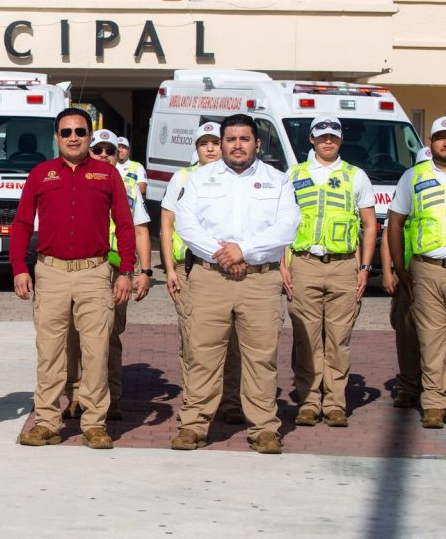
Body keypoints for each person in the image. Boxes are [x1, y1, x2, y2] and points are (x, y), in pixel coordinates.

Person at [173, 113, 300, 454]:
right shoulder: (200, 179)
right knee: (203, 355)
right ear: (222, 143)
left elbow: (288, 226)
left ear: (257, 143)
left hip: (260, 280)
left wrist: (244, 250)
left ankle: (264, 429)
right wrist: (224, 256)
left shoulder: (278, 181)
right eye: (231, 139)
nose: (237, 145)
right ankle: (194, 426)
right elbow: (186, 224)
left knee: (261, 358)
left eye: (244, 139)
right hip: (210, 277)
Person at [12, 107, 136, 450]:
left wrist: (126, 271)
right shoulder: (40, 174)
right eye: (66, 132)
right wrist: (19, 267)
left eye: (80, 131)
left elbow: (125, 225)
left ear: (89, 136)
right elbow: (22, 223)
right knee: (50, 351)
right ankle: (47, 422)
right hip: (50, 272)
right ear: (56, 137)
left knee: (96, 350)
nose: (73, 137)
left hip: (94, 273)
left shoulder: (107, 175)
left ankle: (95, 424)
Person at [280, 114, 377, 428]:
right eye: (322, 136)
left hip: (343, 266)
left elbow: (369, 225)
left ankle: (335, 403)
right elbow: (281, 222)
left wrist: (365, 267)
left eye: (333, 136)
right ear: (311, 138)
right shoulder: (293, 174)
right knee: (306, 338)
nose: (328, 141)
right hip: (304, 264)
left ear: (340, 139)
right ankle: (309, 402)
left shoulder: (355, 175)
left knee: (338, 339)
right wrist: (283, 263)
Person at [63, 129, 150, 422]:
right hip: (83, 265)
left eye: (109, 151)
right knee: (74, 333)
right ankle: (76, 395)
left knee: (109, 334)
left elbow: (140, 230)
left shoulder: (129, 187)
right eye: (97, 150)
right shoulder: (77, 181)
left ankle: (110, 396)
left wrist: (143, 271)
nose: (103, 155)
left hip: (116, 269)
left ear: (118, 155)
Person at [159, 122, 244, 423]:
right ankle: (195, 399)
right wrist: (169, 269)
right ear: (195, 149)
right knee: (193, 337)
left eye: (214, 142)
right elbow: (167, 225)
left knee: (232, 338)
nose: (210, 148)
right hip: (189, 268)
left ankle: (231, 401)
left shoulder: (237, 177)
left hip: (228, 268)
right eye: (203, 143)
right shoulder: (182, 177)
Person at [387, 116, 446, 429]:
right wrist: (400, 268)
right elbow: (395, 221)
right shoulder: (413, 176)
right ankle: (433, 403)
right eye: (440, 137)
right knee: (430, 339)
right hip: (426, 268)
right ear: (430, 143)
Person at [380, 146, 431, 410]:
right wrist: (389, 272)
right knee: (407, 334)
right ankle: (409, 387)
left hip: (431, 272)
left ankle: (437, 388)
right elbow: (388, 236)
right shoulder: (407, 192)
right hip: (406, 276)